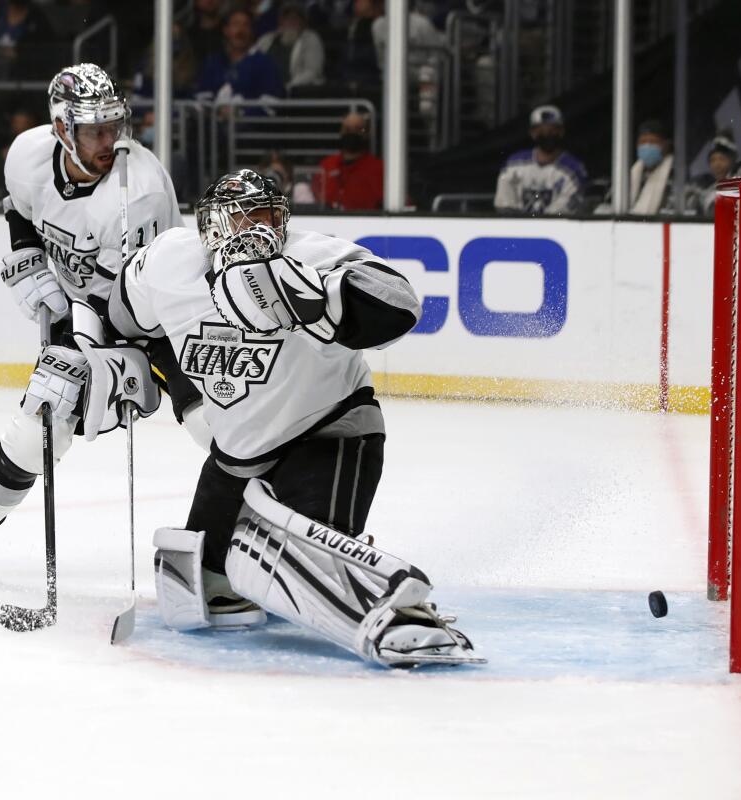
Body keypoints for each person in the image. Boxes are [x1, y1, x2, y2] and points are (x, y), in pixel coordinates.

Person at [93, 169, 481, 664]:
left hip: (330, 431)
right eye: (246, 216)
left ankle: (395, 612)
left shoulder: (315, 254)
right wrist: (180, 394)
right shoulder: (168, 263)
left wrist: (317, 302)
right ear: (211, 226)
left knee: (279, 562)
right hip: (236, 455)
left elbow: (401, 306)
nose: (262, 228)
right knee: (208, 589)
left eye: (271, 215)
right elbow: (121, 321)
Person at [0, 63, 190, 575]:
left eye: (114, 126)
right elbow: (19, 206)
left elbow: (125, 300)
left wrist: (68, 346)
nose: (109, 140)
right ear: (62, 129)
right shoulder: (29, 154)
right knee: (36, 426)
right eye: (94, 130)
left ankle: (274, 523)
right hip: (92, 307)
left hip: (166, 317)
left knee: (215, 423)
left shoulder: (137, 194)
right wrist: (26, 254)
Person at [494, 104, 587, 216]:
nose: (547, 134)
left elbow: (562, 212)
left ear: (561, 132)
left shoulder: (574, 169)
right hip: (516, 228)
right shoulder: (514, 164)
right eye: (541, 130)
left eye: (552, 130)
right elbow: (504, 205)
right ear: (532, 134)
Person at [196, 8, 285, 111]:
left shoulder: (265, 64)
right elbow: (202, 97)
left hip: (250, 126)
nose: (240, 30)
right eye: (235, 24)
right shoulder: (213, 62)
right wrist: (217, 111)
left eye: (246, 25)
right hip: (213, 125)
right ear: (226, 30)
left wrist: (240, 113)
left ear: (252, 31)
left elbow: (270, 106)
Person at [312, 111, 384, 209]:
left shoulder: (379, 169)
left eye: (358, 129)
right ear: (341, 132)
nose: (352, 133)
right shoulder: (326, 165)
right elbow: (314, 200)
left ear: (366, 134)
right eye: (347, 129)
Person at [253, 2, 325, 89]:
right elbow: (252, 62)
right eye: (287, 18)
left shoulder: (311, 39)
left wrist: (288, 86)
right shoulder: (266, 39)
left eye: (295, 18)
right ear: (281, 21)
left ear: (303, 22)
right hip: (264, 92)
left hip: (297, 92)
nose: (291, 21)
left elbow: (312, 72)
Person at [626, 119, 674, 215]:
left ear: (666, 145)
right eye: (643, 142)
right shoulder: (631, 173)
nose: (647, 146)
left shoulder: (675, 175)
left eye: (653, 142)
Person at [688, 132, 737, 217]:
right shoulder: (706, 189)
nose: (717, 164)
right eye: (713, 160)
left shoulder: (738, 188)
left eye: (722, 159)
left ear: (731, 161)